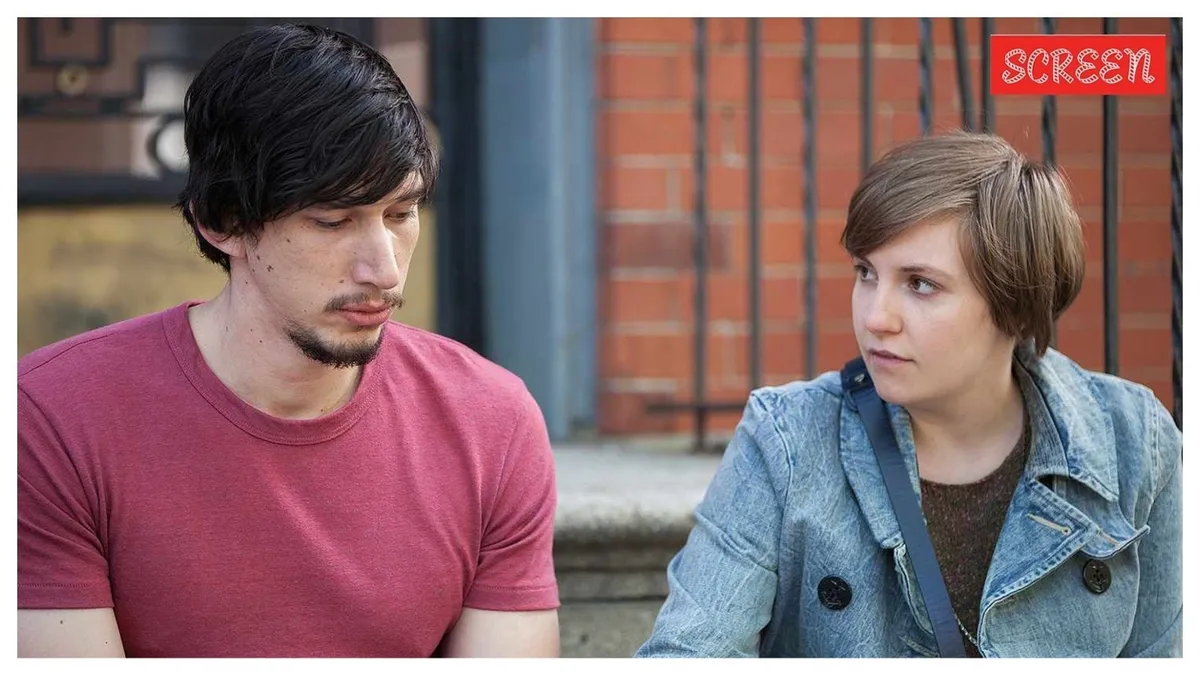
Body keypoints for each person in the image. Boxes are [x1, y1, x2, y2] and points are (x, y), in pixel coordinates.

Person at [18, 23, 560, 658]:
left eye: (400, 214)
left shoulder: (490, 421)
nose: (383, 270)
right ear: (224, 222)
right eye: (333, 220)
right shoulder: (52, 416)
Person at [634, 131, 1182, 658]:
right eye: (866, 273)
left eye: (921, 284)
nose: (876, 317)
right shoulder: (788, 440)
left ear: (1015, 305)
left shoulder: (1135, 444)